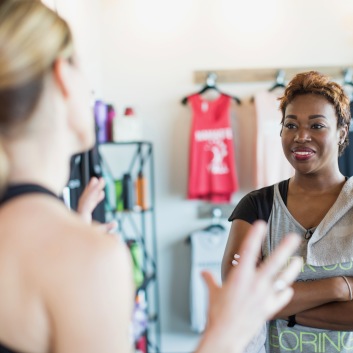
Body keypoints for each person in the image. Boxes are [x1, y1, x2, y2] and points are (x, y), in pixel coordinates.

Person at [0, 1, 302, 352]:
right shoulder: (85, 257)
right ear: (63, 78)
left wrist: (71, 230)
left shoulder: (59, 246)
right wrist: (227, 333)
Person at [223, 71, 353, 353]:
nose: (301, 136)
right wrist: (339, 288)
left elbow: (257, 303)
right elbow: (239, 299)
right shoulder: (256, 206)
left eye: (317, 125)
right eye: (290, 125)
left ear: (342, 132)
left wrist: (273, 306)